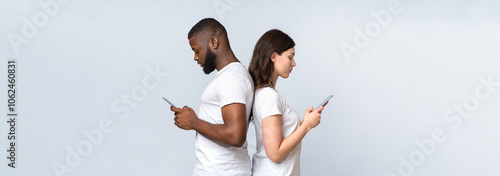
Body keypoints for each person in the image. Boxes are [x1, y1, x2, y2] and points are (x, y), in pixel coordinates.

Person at [171, 18, 254, 176]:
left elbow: (236, 135)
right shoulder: (230, 76)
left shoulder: (231, 78)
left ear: (214, 42)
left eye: (197, 50)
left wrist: (194, 122)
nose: (195, 58)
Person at [248, 29, 326, 176]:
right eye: (290, 57)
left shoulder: (265, 94)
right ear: (273, 57)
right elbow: (275, 153)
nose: (294, 63)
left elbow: (281, 141)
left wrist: (304, 123)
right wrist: (307, 126)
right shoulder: (268, 97)